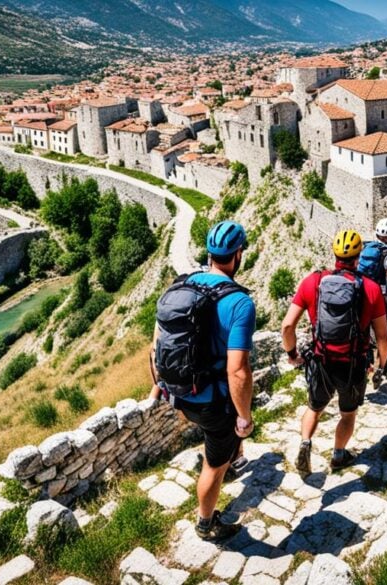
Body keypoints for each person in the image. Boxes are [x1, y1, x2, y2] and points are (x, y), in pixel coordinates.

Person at [151, 220, 255, 541]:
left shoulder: (180, 285)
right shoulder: (240, 303)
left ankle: (231, 461)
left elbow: (156, 343)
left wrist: (160, 388)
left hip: (180, 393)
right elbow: (238, 371)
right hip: (213, 403)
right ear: (238, 255)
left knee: (219, 446)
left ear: (209, 254)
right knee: (213, 465)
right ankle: (206, 523)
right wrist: (244, 417)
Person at [281, 230, 387, 476]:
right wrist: (381, 365)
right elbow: (383, 337)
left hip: (321, 359)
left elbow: (287, 326)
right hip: (353, 363)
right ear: (358, 257)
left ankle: (306, 442)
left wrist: (292, 353)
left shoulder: (313, 282)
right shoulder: (371, 288)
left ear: (335, 254)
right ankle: (339, 454)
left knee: (314, 407)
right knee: (348, 414)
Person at [357, 217, 387, 376]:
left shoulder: (365, 247)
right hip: (379, 299)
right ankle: (385, 367)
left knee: (363, 330)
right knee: (382, 334)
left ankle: (365, 364)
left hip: (360, 293)